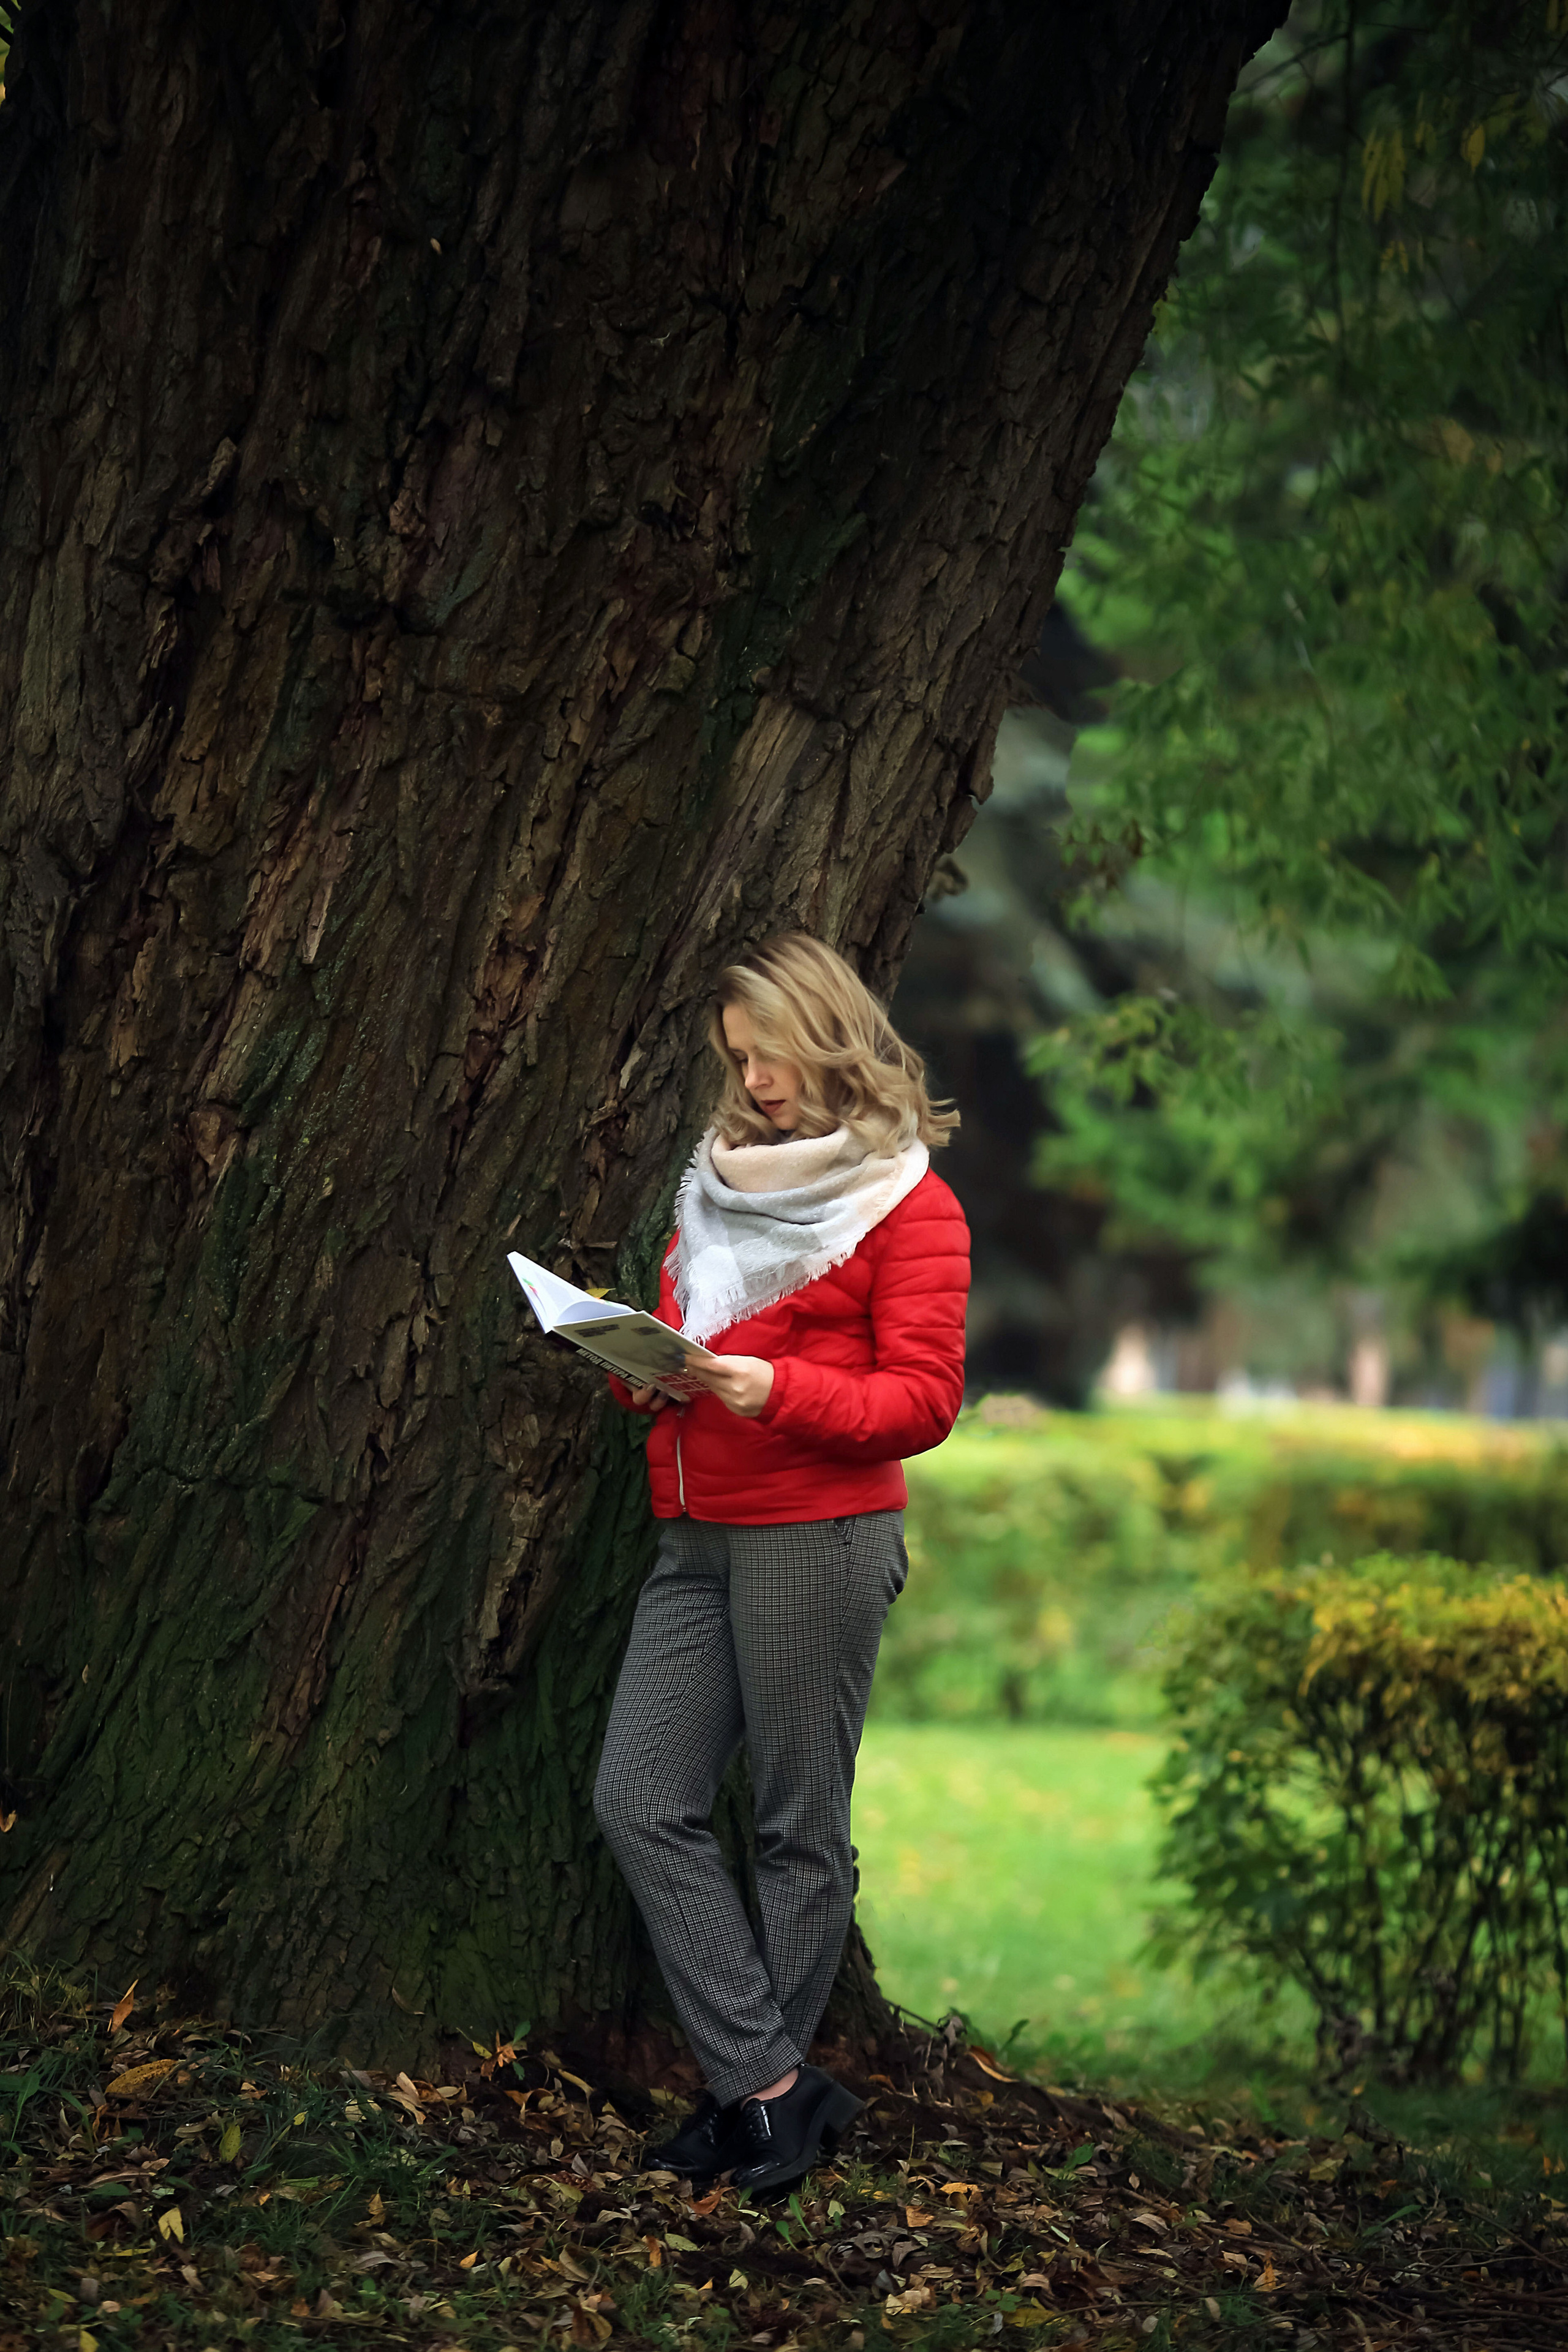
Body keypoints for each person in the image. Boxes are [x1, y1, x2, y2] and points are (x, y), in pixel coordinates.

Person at [592, 933, 970, 2196]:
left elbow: (920, 1400)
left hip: (816, 1535)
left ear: (830, 1034)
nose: (753, 1082)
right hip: (693, 1535)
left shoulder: (907, 1202)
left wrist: (776, 1390)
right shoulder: (716, 1183)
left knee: (798, 1826)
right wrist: (649, 1371)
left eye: (773, 1054)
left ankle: (751, 2105)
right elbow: (694, 1339)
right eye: (738, 1059)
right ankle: (767, 2087)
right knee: (638, 1795)